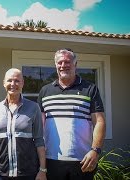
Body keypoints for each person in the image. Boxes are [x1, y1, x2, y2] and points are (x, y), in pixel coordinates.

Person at [37, 48, 106, 180]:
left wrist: (95, 151)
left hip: (83, 160)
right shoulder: (45, 91)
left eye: (67, 62)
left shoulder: (90, 89)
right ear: (56, 65)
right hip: (51, 160)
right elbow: (39, 126)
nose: (63, 65)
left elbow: (99, 121)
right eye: (60, 62)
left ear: (75, 64)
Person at [0, 68, 47, 180]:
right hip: (1, 173)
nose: (13, 84)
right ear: (4, 83)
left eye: (17, 81)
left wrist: (42, 170)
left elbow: (39, 140)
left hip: (27, 173)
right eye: (9, 80)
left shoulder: (34, 108)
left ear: (22, 83)